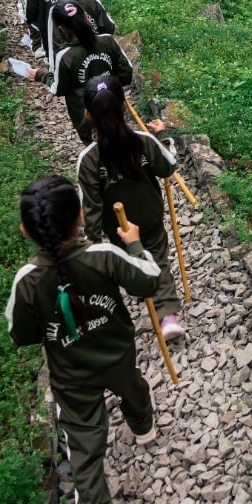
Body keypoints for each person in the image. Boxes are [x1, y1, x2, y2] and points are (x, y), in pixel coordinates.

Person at [6, 174, 160, 504]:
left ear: (25, 231)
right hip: (118, 354)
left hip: (70, 375)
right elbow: (149, 281)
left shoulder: (26, 280)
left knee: (84, 446)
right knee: (133, 387)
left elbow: (21, 335)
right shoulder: (102, 256)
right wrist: (135, 245)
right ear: (80, 216)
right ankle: (143, 425)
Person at [77, 75, 185, 343]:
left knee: (129, 260)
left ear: (88, 114)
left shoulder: (88, 160)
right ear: (124, 106)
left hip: (117, 228)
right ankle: (168, 316)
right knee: (158, 260)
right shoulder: (143, 141)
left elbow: (91, 205)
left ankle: (138, 286)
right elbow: (168, 166)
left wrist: (92, 241)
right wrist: (162, 135)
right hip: (149, 216)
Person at [28, 0, 133, 144]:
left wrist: (41, 75)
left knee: (96, 151)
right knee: (120, 142)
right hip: (114, 107)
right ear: (85, 17)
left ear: (61, 29)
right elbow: (127, 75)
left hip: (85, 117)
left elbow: (59, 88)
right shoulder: (108, 41)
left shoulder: (64, 56)